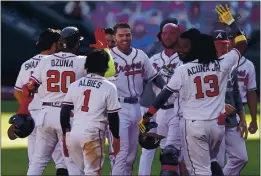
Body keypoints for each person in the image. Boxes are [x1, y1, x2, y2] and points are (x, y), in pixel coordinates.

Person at [139, 4, 248, 175]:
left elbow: (163, 95)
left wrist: (147, 116)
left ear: (194, 48)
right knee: (212, 163)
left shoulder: (183, 70)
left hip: (194, 126)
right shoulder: (222, 64)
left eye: (183, 46)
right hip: (216, 126)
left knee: (200, 170)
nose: (180, 50)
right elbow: (241, 43)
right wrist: (231, 23)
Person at [12, 27, 116, 175]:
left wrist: (22, 111)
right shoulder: (81, 62)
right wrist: (104, 49)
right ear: (76, 44)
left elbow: (28, 89)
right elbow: (110, 71)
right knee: (72, 162)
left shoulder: (45, 61)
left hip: (46, 115)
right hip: (68, 117)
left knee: (38, 161)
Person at [110, 22, 166, 175]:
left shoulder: (140, 55)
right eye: (121, 35)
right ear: (114, 37)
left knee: (130, 157)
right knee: (120, 154)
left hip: (136, 107)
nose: (125, 38)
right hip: (117, 107)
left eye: (127, 34)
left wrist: (168, 89)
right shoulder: (108, 57)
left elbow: (155, 76)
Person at [13, 28, 68, 175]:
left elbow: (18, 91)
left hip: (32, 116)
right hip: (54, 113)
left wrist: (26, 110)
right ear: (54, 44)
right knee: (63, 163)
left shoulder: (26, 64)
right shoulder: (58, 63)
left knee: (35, 162)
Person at [60, 49, 121, 175]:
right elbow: (113, 116)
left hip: (74, 134)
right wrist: (116, 138)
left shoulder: (75, 84)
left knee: (77, 172)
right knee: (92, 173)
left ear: (87, 66)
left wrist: (65, 135)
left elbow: (64, 112)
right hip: (93, 134)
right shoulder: (109, 87)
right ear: (106, 66)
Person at [138, 23, 184, 175]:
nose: (167, 36)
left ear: (178, 36)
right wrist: (146, 113)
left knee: (173, 153)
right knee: (152, 149)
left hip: (178, 110)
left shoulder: (184, 58)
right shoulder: (153, 59)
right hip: (158, 112)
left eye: (171, 33)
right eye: (164, 33)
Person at [213, 29, 249, 175]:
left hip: (232, 120)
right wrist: (220, 105)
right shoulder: (205, 66)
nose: (226, 47)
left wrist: (243, 117)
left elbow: (236, 94)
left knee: (241, 157)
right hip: (214, 120)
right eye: (221, 44)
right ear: (213, 45)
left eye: (227, 44)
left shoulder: (232, 66)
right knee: (217, 162)